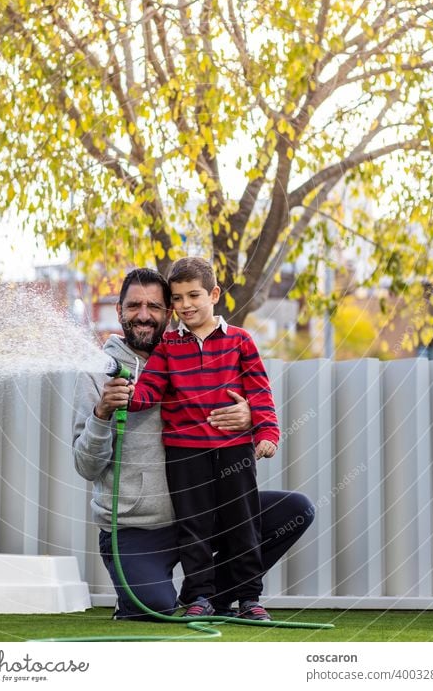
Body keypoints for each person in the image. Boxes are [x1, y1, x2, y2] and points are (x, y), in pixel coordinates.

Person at [72, 267, 315, 621]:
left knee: (289, 512)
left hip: (212, 495)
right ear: (119, 309)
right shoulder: (103, 373)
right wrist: (105, 411)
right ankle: (176, 596)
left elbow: (256, 390)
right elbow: (87, 465)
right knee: (153, 608)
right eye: (134, 305)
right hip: (138, 527)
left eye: (155, 306)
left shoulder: (225, 344)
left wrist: (254, 421)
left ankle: (222, 597)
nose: (144, 314)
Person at [126, 257, 279, 620]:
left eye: (193, 295)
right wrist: (129, 396)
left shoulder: (240, 341)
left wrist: (267, 431)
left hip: (234, 452)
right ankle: (199, 598)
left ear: (213, 294)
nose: (185, 305)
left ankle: (249, 599)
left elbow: (259, 392)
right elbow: (149, 391)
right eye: (177, 299)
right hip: (184, 454)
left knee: (242, 524)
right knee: (193, 528)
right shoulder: (167, 347)